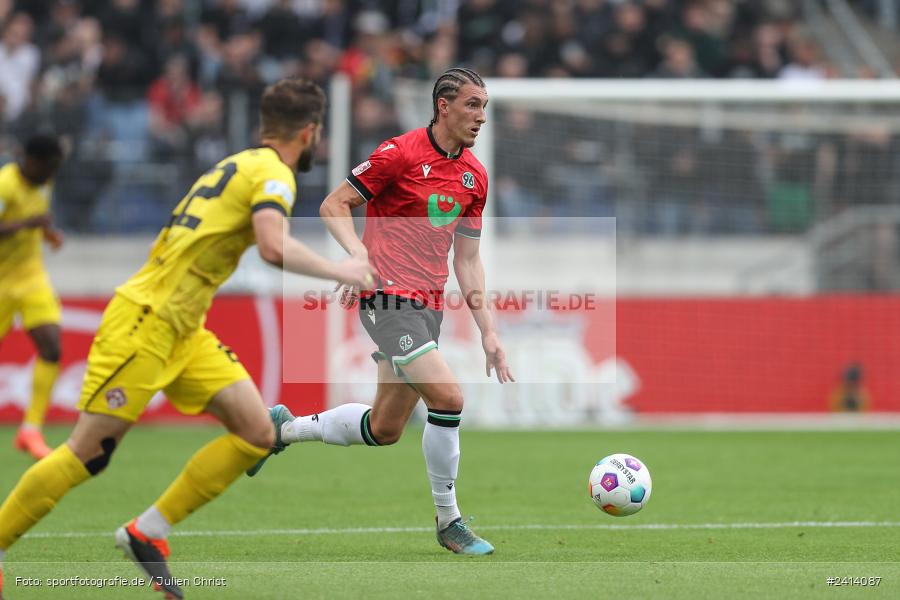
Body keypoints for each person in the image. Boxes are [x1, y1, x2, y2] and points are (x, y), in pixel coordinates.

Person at [0, 78, 375, 600]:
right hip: (146, 321)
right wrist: (345, 270)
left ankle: (145, 532)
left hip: (184, 327)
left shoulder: (238, 163)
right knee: (90, 453)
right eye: (318, 135)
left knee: (256, 433)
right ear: (310, 131)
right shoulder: (274, 173)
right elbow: (271, 246)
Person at [249, 67, 514, 556]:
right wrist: (357, 256)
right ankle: (449, 520)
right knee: (450, 399)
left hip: (427, 307)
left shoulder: (475, 176)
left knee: (385, 428)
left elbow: (468, 260)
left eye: (484, 107)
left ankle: (281, 428)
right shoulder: (400, 153)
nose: (481, 116)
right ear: (444, 106)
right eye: (472, 105)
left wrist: (489, 333)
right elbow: (334, 205)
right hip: (386, 299)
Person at [0, 134, 66, 460]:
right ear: (31, 160)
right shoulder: (5, 185)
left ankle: (30, 430)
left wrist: (48, 234)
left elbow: (37, 221)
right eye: (49, 167)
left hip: (30, 277)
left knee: (52, 347)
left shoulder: (44, 184)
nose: (52, 174)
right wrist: (29, 223)